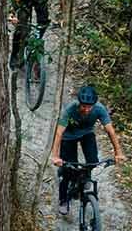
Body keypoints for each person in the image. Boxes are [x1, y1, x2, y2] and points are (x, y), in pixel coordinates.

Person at [48, 85, 125, 213]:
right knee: (69, 168)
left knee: (93, 161)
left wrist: (119, 153)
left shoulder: (99, 109)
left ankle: (85, 178)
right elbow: (59, 133)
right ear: (79, 103)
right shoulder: (70, 109)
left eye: (90, 106)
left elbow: (110, 131)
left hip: (87, 134)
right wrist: (55, 156)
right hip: (68, 136)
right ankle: (63, 199)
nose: (87, 109)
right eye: (84, 106)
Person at [11, 0, 57, 67]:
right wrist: (11, 13)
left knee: (43, 22)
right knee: (21, 28)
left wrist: (64, 16)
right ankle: (15, 55)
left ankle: (35, 47)